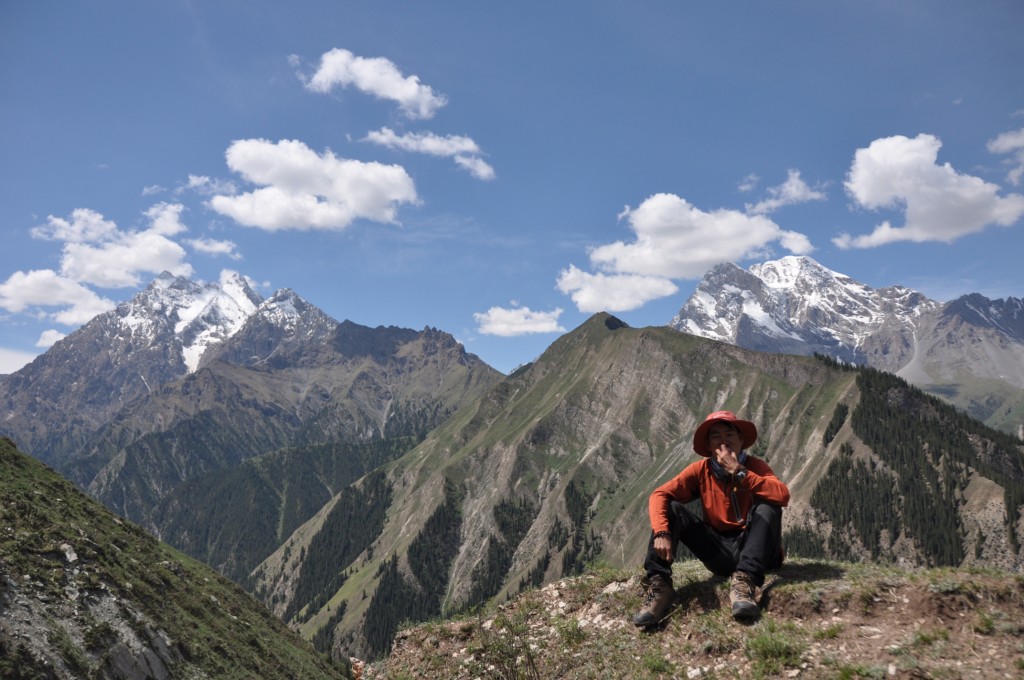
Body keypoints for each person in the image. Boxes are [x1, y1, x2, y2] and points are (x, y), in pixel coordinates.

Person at [633, 410, 790, 626]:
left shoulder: (754, 467)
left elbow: (782, 495)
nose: (724, 441)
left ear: (741, 440)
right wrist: (661, 531)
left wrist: (739, 471)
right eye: (716, 436)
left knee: (768, 505)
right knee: (672, 507)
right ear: (709, 446)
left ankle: (746, 582)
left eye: (729, 435)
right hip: (721, 552)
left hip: (760, 553)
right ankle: (659, 584)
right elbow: (659, 494)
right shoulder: (701, 471)